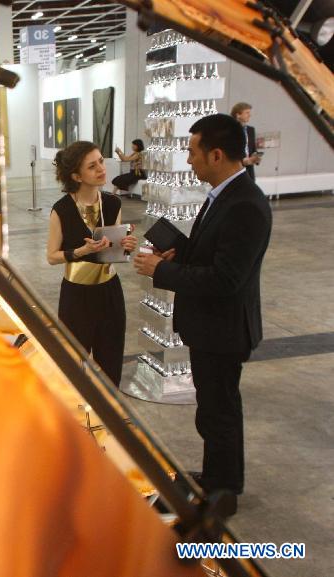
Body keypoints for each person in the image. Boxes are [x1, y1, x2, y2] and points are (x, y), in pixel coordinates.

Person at [133, 114, 272, 517]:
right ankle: (216, 477)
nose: (189, 161)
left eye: (193, 153)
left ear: (216, 154)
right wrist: (180, 254)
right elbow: (213, 256)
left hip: (224, 329)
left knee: (219, 410)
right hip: (210, 326)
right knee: (213, 408)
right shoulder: (223, 195)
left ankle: (224, 490)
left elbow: (227, 279)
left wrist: (162, 270)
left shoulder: (246, 204)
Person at [47, 141, 138, 386]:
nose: (101, 168)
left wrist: (124, 246)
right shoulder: (62, 210)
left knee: (111, 361)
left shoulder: (112, 203)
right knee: (73, 365)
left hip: (110, 291)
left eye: (100, 161)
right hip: (76, 295)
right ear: (76, 176)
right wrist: (80, 251)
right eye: (92, 166)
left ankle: (109, 416)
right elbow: (52, 256)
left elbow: (113, 250)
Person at [231, 102, 261, 180]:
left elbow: (253, 148)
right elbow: (230, 150)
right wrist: (243, 160)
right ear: (238, 115)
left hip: (249, 170)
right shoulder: (231, 130)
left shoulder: (251, 130)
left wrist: (256, 156)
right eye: (247, 113)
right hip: (236, 170)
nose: (250, 115)